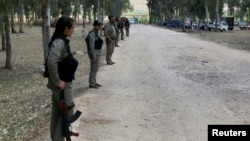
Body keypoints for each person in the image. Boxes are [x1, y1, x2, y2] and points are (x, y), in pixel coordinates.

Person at [46, 16, 78, 141]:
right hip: (62, 85)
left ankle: (55, 138)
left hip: (60, 83)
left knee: (57, 114)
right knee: (67, 113)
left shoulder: (60, 40)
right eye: (72, 27)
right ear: (66, 28)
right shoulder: (59, 42)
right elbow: (51, 61)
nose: (73, 30)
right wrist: (58, 82)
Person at [86, 20, 103, 89]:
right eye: (99, 25)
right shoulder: (92, 34)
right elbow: (91, 46)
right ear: (95, 26)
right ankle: (92, 83)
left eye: (100, 25)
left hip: (96, 52)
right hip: (94, 53)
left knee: (95, 68)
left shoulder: (95, 33)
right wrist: (93, 56)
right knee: (94, 68)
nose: (100, 27)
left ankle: (94, 81)